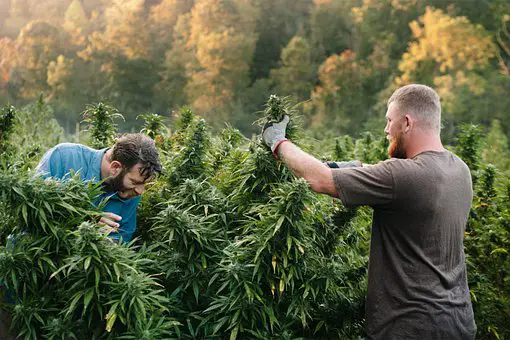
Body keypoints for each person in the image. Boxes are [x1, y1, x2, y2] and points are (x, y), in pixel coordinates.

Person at [262, 84, 476, 339]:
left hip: (410, 327)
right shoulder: (459, 170)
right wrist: (347, 167)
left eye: (389, 121)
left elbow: (319, 180)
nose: (386, 130)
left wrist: (278, 141)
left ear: (407, 122)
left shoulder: (403, 177)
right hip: (458, 323)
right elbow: (388, 175)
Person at [36, 133, 162, 243]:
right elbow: (32, 204)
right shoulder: (64, 157)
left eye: (143, 184)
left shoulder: (130, 193)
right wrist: (85, 219)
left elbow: (119, 245)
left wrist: (99, 240)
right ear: (115, 168)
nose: (140, 191)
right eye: (135, 182)